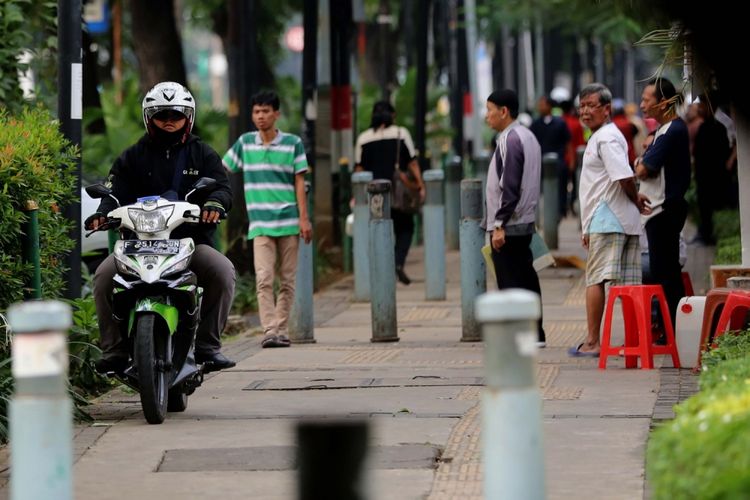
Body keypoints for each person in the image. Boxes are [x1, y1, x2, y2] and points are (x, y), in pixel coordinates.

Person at [86, 81, 237, 373]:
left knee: (222, 271)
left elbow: (222, 189)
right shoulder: (131, 157)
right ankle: (115, 351)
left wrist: (214, 205)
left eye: (176, 115)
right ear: (148, 117)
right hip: (135, 245)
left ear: (188, 117)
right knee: (103, 276)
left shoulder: (203, 154)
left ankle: (207, 347)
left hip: (189, 244)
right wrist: (103, 214)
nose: (169, 121)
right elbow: (114, 191)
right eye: (162, 115)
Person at [222, 90, 313, 348]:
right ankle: (269, 331)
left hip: (288, 221)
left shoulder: (292, 143)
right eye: (256, 112)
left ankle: (281, 329)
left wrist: (303, 219)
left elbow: (299, 181)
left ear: (276, 114)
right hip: (260, 223)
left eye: (265, 111)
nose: (260, 116)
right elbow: (223, 167)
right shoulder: (244, 144)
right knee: (263, 279)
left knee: (287, 280)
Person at [569, 83, 650, 357]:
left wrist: (636, 198)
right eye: (582, 106)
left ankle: (593, 342)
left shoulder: (605, 137)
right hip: (618, 218)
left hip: (608, 218)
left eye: (591, 105)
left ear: (606, 109)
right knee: (627, 284)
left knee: (595, 279)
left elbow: (622, 175)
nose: (585, 111)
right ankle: (634, 342)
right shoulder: (605, 136)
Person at [483, 89, 546, 345]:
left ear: (504, 111)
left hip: (509, 224)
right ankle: (535, 333)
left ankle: (520, 336)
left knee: (510, 283)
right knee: (527, 279)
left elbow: (510, 185)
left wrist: (499, 224)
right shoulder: (528, 136)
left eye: (489, 110)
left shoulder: (509, 140)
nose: (487, 116)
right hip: (524, 222)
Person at [635, 77, 691, 330]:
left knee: (665, 274)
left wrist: (639, 162)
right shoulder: (663, 130)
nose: (642, 105)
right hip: (661, 211)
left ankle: (675, 330)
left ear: (664, 102)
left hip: (664, 210)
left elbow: (645, 169)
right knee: (664, 272)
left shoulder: (671, 131)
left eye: (647, 100)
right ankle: (672, 329)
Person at [354, 100, 425, 285]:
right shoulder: (401, 133)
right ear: (392, 116)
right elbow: (412, 162)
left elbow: (359, 169)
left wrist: (356, 195)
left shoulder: (363, 138)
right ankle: (397, 262)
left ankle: (382, 272)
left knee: (378, 231)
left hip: (373, 196)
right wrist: (420, 184)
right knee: (406, 228)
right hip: (398, 193)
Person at [692, 95, 730, 245]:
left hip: (713, 177)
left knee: (711, 206)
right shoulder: (704, 126)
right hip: (704, 176)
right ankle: (705, 233)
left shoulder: (718, 127)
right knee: (704, 206)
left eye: (701, 105)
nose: (698, 109)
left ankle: (710, 235)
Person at [529, 94, 571, 218]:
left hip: (558, 162)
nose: (540, 107)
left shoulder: (560, 123)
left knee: (560, 188)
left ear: (549, 106)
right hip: (540, 162)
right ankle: (545, 213)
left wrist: (570, 160)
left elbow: (568, 143)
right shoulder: (535, 124)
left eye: (542, 104)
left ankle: (560, 211)